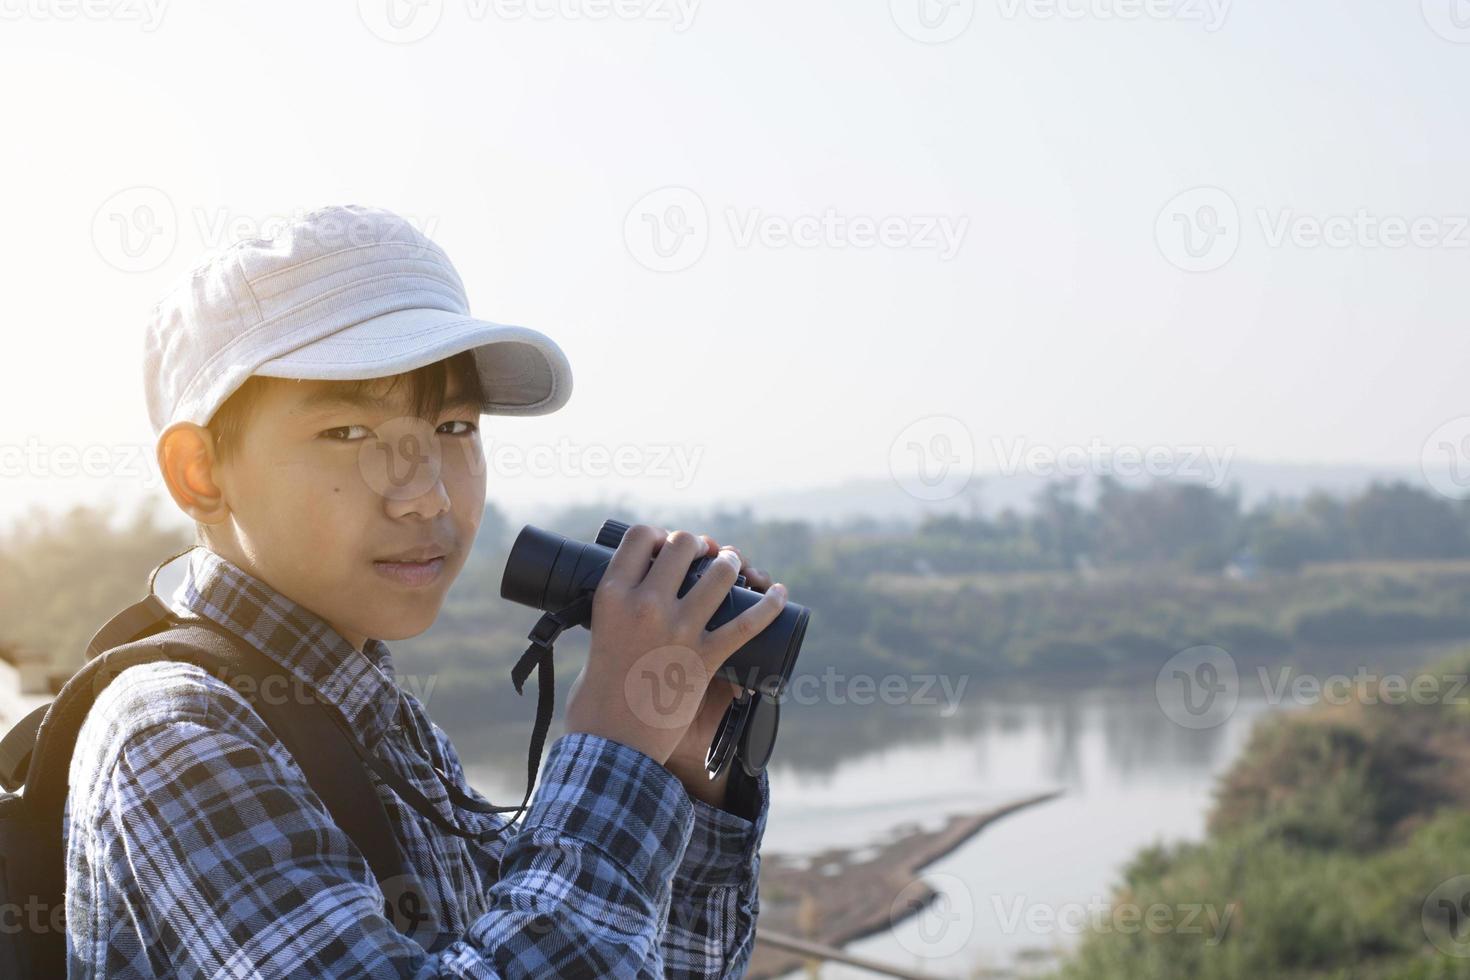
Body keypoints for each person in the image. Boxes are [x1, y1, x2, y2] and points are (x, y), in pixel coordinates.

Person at [63, 204, 787, 978]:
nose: (427, 497)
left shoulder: (374, 723)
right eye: (349, 434)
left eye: (453, 429)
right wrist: (610, 753)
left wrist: (679, 774)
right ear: (200, 473)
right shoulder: (175, 738)